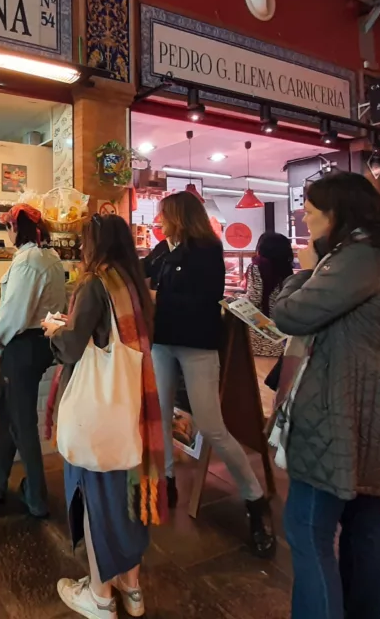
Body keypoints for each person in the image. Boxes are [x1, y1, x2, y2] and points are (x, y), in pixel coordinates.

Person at [272, 172, 380, 619]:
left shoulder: (357, 259)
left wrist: (303, 271)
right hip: (377, 407)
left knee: (307, 528)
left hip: (341, 408)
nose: (304, 214)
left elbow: (290, 314)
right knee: (362, 523)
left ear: (337, 213)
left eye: (312, 208)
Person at [42, 214, 166, 619]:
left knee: (97, 502)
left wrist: (55, 331)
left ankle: (98, 597)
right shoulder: (131, 283)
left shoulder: (96, 282)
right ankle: (132, 589)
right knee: (126, 500)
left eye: (85, 241)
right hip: (130, 410)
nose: (81, 249)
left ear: (96, 244)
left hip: (97, 418)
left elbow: (75, 345)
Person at [145, 191, 276, 558]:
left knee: (212, 424)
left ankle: (254, 499)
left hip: (197, 345)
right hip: (163, 342)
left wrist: (157, 300)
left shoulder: (207, 250)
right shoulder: (165, 248)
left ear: (178, 216)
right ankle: (168, 480)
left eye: (163, 216)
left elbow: (205, 299)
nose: (159, 222)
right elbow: (143, 272)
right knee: (162, 411)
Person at [0, 204, 66, 518]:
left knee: (21, 423)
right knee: (10, 415)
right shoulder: (51, 257)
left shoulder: (28, 261)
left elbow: (14, 312)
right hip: (42, 344)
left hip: (23, 347)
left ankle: (36, 496)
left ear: (16, 229)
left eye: (9, 226)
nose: (8, 233)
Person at [243, 232, 294, 359]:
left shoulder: (256, 267)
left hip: (259, 336)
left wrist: (233, 301)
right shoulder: (287, 269)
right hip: (281, 337)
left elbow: (253, 300)